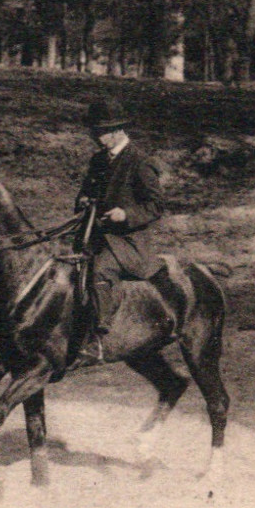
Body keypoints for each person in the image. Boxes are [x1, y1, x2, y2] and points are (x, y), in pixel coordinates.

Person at [75, 98, 166, 335]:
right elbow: (86, 190)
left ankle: (102, 329)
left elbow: (156, 205)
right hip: (93, 234)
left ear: (116, 131)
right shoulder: (98, 160)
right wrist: (83, 199)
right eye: (94, 132)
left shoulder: (140, 161)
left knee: (99, 270)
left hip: (127, 243)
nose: (96, 137)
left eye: (101, 132)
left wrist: (125, 214)